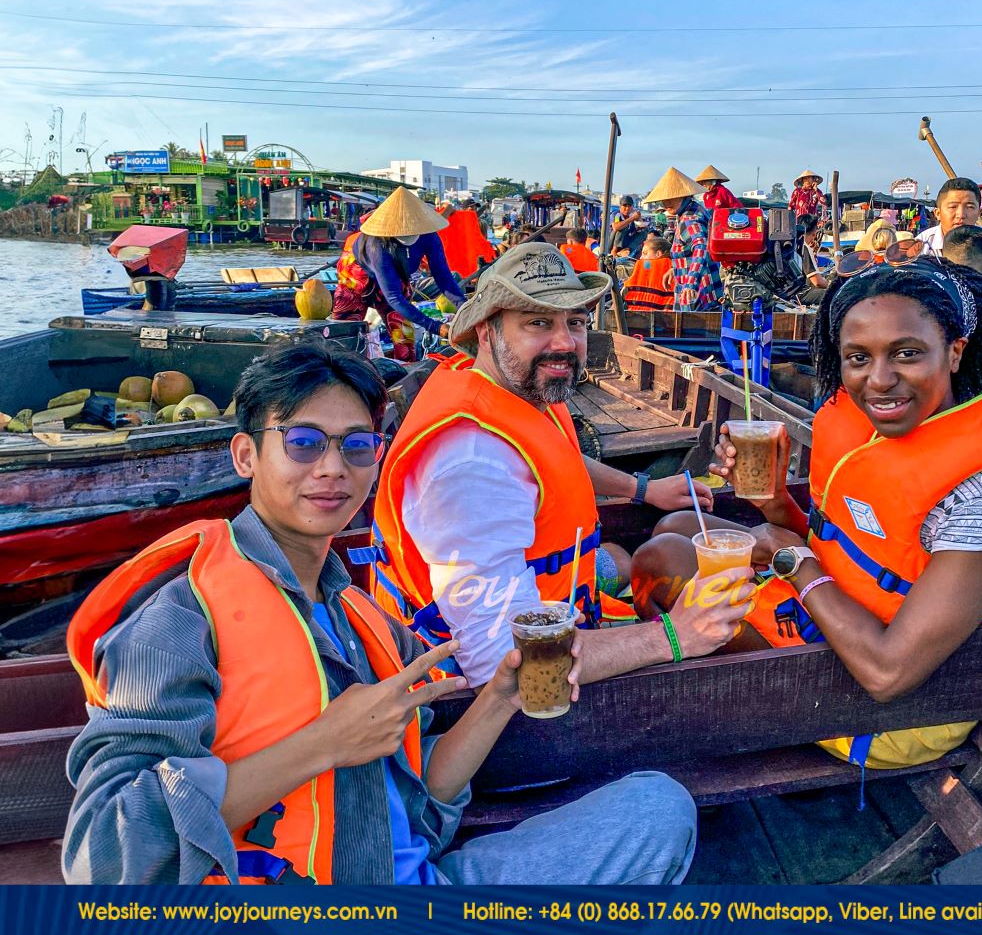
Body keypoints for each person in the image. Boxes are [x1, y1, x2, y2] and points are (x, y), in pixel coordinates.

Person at [63, 338, 697, 886]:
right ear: (246, 456)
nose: (333, 469)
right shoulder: (178, 622)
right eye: (303, 443)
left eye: (358, 446)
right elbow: (105, 859)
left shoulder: (356, 613)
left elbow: (425, 805)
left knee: (659, 810)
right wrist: (322, 745)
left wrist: (501, 694)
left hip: (418, 879)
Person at [634, 256, 982, 769]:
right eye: (858, 358)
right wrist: (773, 504)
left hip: (891, 707)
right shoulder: (870, 425)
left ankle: (719, 719)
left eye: (906, 353)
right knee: (674, 532)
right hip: (833, 615)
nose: (879, 380)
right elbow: (846, 550)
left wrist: (793, 561)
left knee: (659, 561)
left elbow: (888, 674)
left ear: (955, 352)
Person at [371, 243, 756, 689]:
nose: (564, 343)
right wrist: (676, 636)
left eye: (575, 323)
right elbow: (508, 666)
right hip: (485, 691)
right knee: (682, 585)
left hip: (553, 597)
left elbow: (558, 458)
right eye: (537, 322)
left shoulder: (515, 390)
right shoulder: (471, 463)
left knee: (626, 555)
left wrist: (642, 489)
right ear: (485, 332)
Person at [332, 187, 466, 360]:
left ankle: (402, 372)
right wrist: (436, 327)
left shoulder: (429, 237)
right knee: (345, 341)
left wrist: (466, 309)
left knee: (405, 345)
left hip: (396, 274)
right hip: (357, 277)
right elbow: (394, 298)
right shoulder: (376, 245)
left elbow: (444, 278)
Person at [642, 167, 723, 312]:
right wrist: (675, 269)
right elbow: (690, 252)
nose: (666, 203)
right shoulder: (696, 209)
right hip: (709, 290)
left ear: (684, 196)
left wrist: (690, 283)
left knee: (691, 332)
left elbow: (701, 247)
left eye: (671, 198)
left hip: (697, 294)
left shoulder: (689, 219)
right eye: (663, 199)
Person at [437, 201, 496, 279]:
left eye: (475, 208)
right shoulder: (457, 223)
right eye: (471, 208)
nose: (473, 210)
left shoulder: (475, 222)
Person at [623, 235, 674, 311]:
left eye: (645, 253)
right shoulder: (675, 267)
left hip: (637, 316)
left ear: (658, 254)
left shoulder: (643, 265)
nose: (641, 258)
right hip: (667, 317)